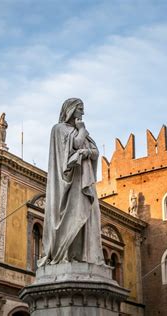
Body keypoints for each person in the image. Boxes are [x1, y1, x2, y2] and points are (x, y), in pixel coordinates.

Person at [39, 98, 104, 266]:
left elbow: (96, 152)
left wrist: (86, 152)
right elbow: (74, 145)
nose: (83, 113)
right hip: (70, 182)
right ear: (71, 110)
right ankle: (65, 254)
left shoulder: (81, 131)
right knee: (73, 216)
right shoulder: (59, 129)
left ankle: (83, 256)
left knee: (89, 214)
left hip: (84, 179)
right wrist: (81, 132)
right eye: (80, 109)